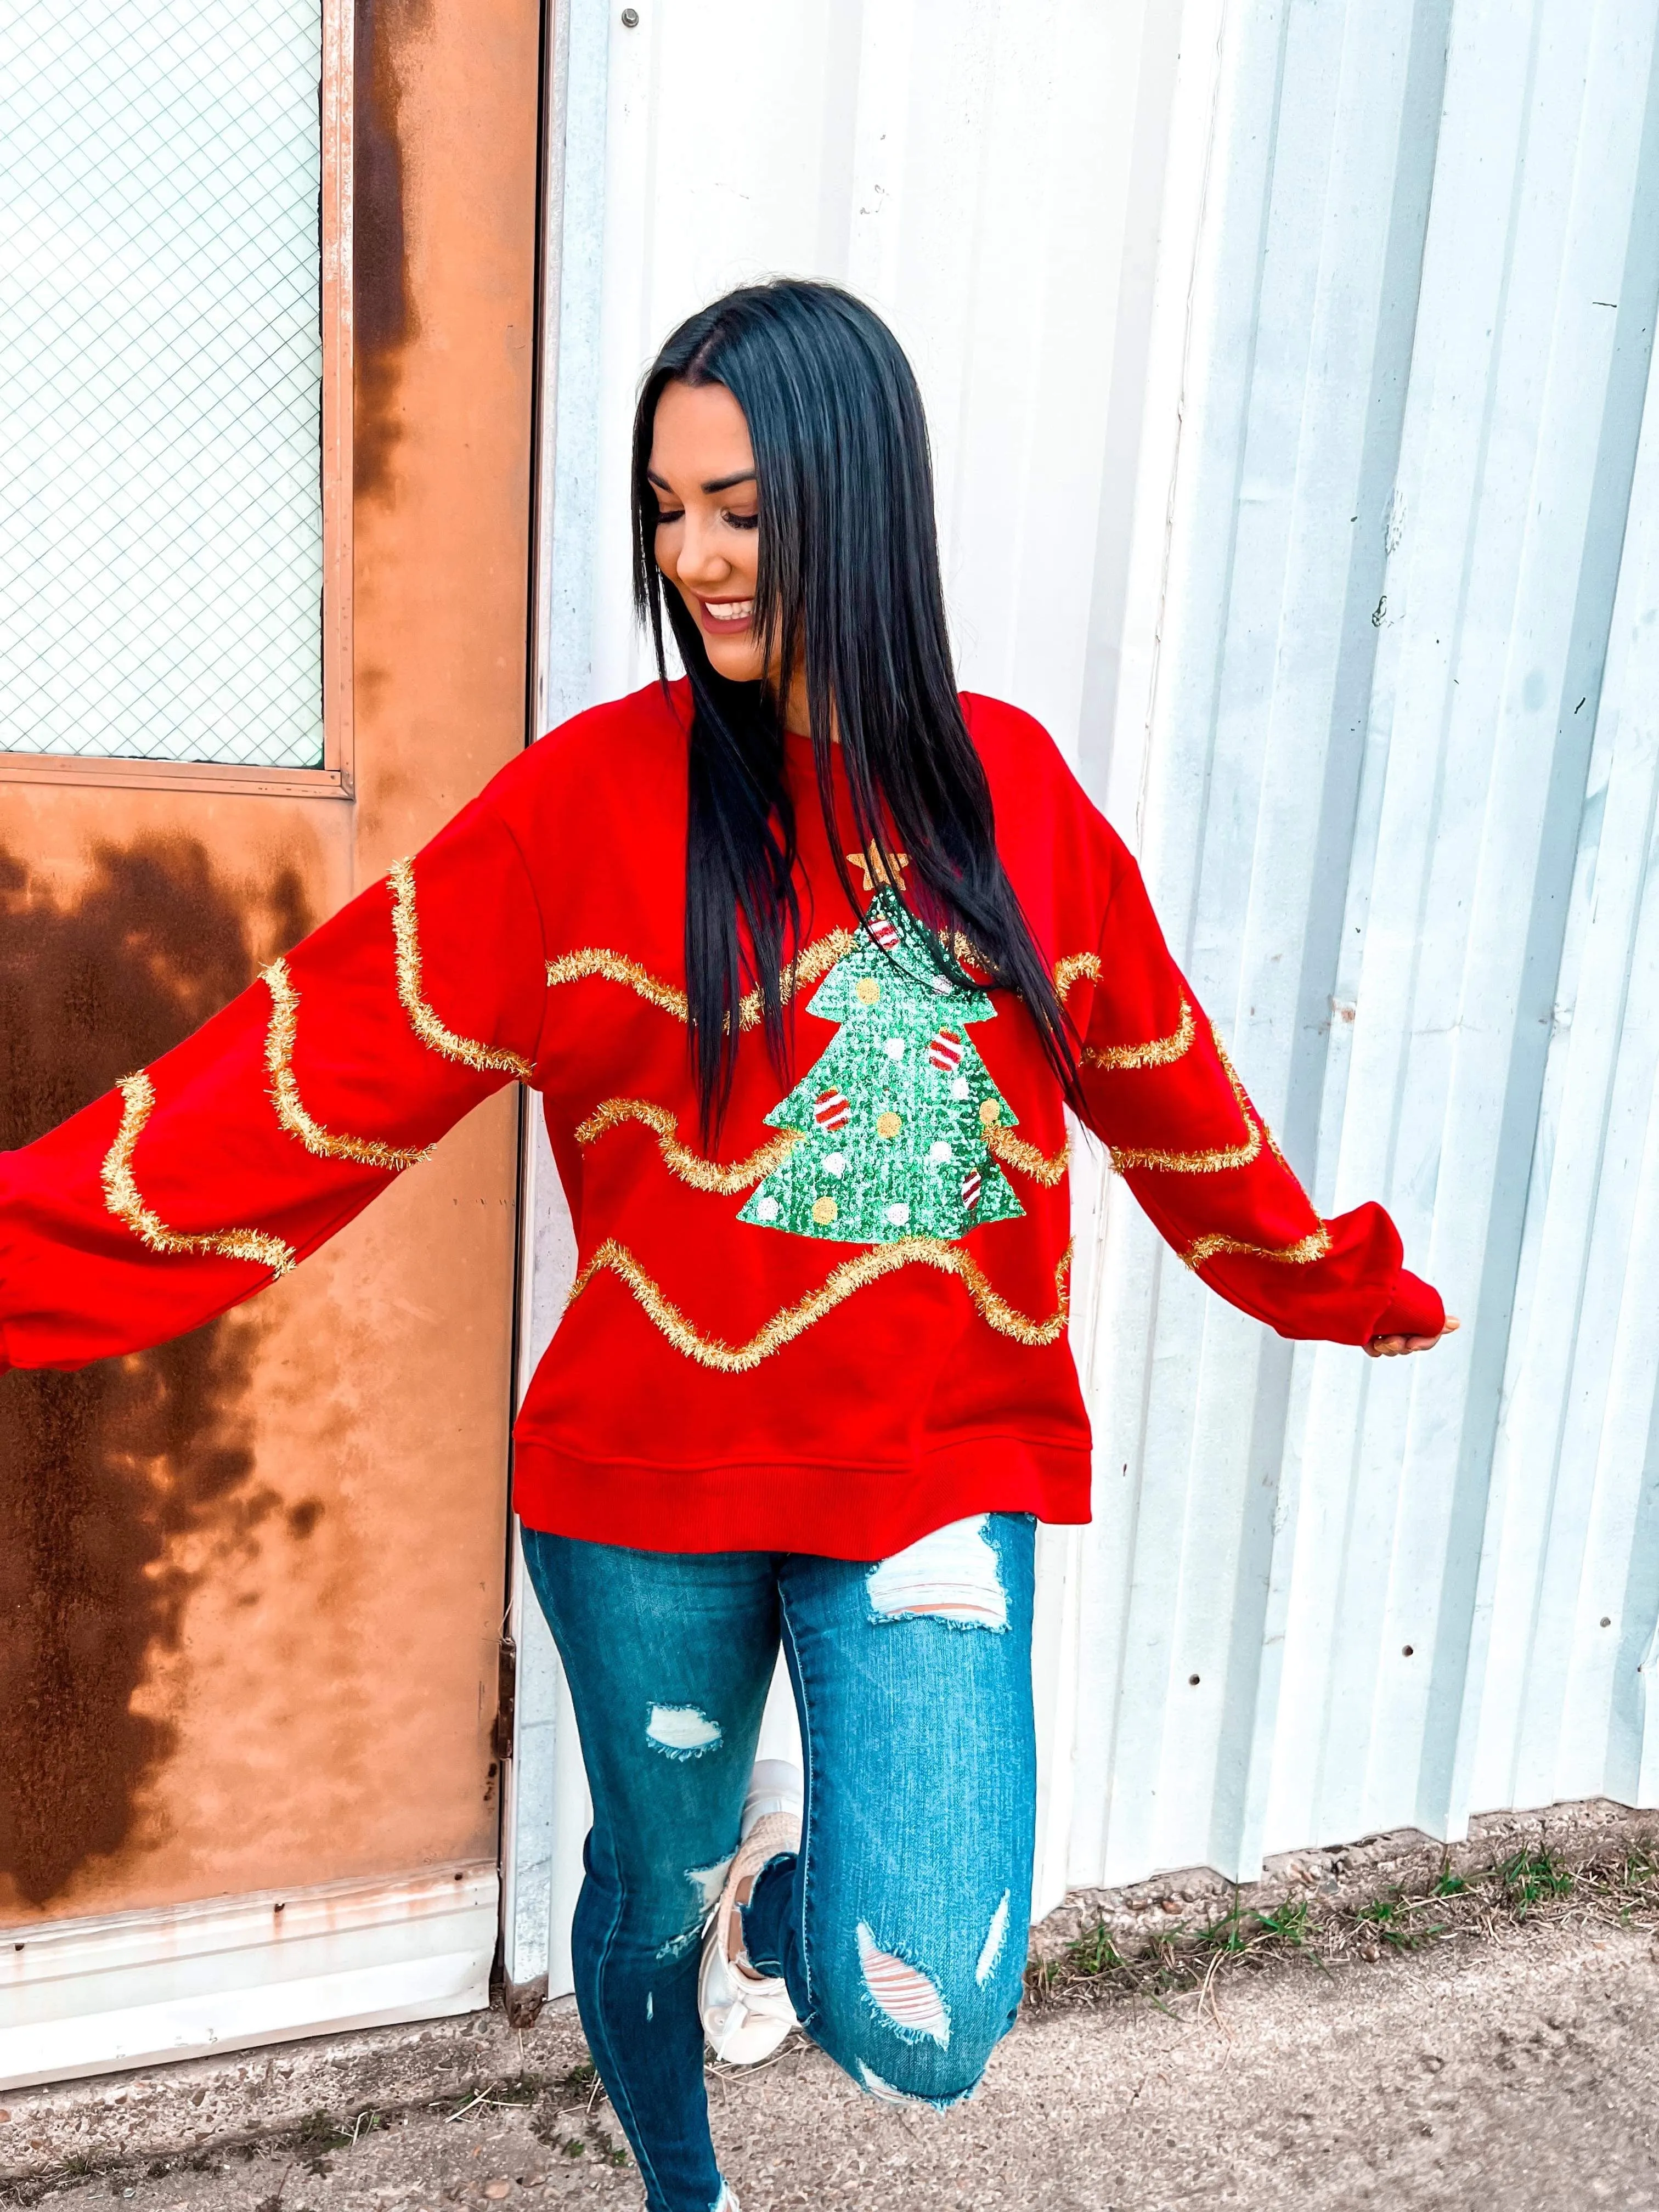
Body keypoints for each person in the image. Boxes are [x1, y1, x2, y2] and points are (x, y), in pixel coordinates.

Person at [0, 280, 1452, 2212]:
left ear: (861, 500)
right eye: (668, 506)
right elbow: (289, 1089)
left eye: (744, 506)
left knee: (922, 2013)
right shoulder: (581, 812)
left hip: (934, 1480)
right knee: (638, 1888)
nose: (693, 555)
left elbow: (1168, 1089)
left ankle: (787, 1920)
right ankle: (686, 2183)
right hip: (644, 1497)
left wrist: (1325, 1277)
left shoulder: (1011, 799)